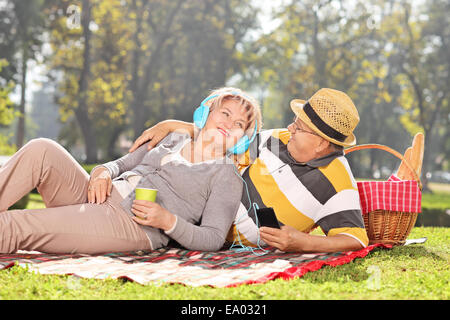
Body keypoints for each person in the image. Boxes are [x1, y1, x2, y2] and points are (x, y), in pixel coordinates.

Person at [0, 87, 262, 254]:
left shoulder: (226, 175)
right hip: (96, 196)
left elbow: (213, 238)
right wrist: (102, 171)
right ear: (206, 113)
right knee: (42, 149)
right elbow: (121, 164)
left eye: (239, 123)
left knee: (16, 224)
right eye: (225, 113)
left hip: (129, 225)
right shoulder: (172, 138)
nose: (229, 123)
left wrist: (168, 222)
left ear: (243, 139)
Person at [129, 88, 369, 253]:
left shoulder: (337, 182)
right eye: (294, 122)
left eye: (299, 127)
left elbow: (355, 239)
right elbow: (226, 138)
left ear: (321, 143)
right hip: (192, 213)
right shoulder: (278, 139)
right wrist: (173, 125)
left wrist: (302, 242)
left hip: (203, 236)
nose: (289, 128)